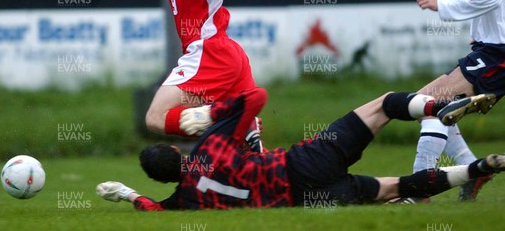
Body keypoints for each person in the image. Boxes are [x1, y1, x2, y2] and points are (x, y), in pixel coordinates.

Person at [57, 0, 263, 150]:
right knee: (245, 156)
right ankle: (242, 130)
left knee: (155, 118)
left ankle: (225, 120)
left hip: (208, 54)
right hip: (229, 56)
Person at [95, 88, 502, 210]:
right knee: (382, 106)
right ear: (177, 152)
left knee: (393, 188)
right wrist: (210, 111)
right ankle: (435, 107)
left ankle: (478, 168)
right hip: (304, 160)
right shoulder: (209, 147)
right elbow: (254, 97)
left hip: (305, 200)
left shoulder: (184, 202)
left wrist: (128, 194)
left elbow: (154, 210)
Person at [409, 0, 505, 202]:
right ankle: (474, 171)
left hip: (498, 55)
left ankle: (417, 190)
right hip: (491, 50)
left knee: (430, 105)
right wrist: (480, 33)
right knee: (431, 104)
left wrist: (441, 4)